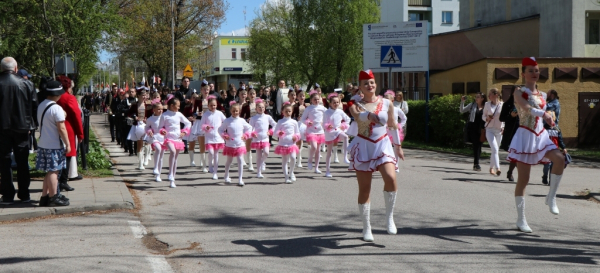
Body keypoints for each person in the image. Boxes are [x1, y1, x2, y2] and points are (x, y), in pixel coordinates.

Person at [507, 57, 566, 233]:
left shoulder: (543, 95)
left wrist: (550, 116)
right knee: (523, 180)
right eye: (531, 70)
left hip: (541, 135)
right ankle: (521, 219)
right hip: (525, 136)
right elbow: (525, 108)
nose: (535, 73)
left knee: (560, 159)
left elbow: (545, 113)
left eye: (537, 70)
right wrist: (545, 113)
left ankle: (551, 197)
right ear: (523, 73)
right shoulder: (519, 92)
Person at [347, 69, 404, 242]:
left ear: (375, 84)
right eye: (366, 83)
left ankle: (389, 218)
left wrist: (398, 146)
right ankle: (367, 227)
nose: (369, 85)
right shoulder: (355, 103)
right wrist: (369, 115)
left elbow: (393, 124)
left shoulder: (387, 103)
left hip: (382, 144)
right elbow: (357, 116)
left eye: (371, 82)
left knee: (390, 177)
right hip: (364, 145)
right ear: (361, 87)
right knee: (365, 189)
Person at [0, 57, 37, 204]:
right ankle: (24, 194)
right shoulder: (27, 84)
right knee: (22, 161)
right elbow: (34, 106)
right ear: (16, 69)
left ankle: (8, 194)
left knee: (4, 161)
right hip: (22, 127)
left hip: (2, 128)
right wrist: (31, 126)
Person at [36, 80, 71, 206]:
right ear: (57, 94)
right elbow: (61, 128)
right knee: (54, 171)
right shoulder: (56, 108)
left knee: (49, 171)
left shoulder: (42, 105)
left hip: (43, 143)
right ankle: (53, 197)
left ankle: (44, 197)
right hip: (54, 144)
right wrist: (68, 144)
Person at [56, 75, 83, 192]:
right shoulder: (69, 98)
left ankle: (57, 180)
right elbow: (77, 117)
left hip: (54, 129)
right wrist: (80, 134)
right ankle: (63, 181)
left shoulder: (54, 98)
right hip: (68, 129)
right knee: (67, 155)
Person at [158, 95, 191, 188]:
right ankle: (170, 173)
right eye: (178, 106)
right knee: (172, 151)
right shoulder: (164, 116)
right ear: (172, 106)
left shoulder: (179, 114)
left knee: (175, 158)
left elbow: (188, 123)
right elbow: (160, 127)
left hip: (178, 138)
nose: (179, 108)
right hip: (168, 138)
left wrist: (184, 131)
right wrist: (162, 131)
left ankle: (172, 178)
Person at [218, 102, 252, 186]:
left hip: (240, 144)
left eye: (236, 111)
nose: (235, 112)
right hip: (230, 144)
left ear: (239, 111)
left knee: (240, 161)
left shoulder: (242, 120)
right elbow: (220, 129)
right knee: (229, 161)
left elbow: (249, 127)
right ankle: (226, 175)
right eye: (233, 111)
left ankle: (240, 179)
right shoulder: (227, 121)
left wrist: (246, 135)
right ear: (230, 111)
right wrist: (225, 135)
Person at [195, 96, 226, 180]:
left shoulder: (219, 113)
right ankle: (210, 164)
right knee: (211, 153)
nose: (213, 107)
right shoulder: (205, 114)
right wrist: (206, 127)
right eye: (211, 105)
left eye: (215, 105)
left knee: (216, 154)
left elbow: (225, 121)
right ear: (208, 106)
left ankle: (215, 172)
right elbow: (202, 125)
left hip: (218, 137)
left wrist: (223, 129)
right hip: (209, 137)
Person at [323, 94, 351, 178]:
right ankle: (327, 171)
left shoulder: (340, 111)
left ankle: (345, 156)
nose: (336, 104)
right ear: (330, 103)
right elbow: (324, 123)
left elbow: (348, 119)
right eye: (334, 102)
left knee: (346, 137)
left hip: (338, 131)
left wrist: (343, 125)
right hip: (329, 133)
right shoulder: (326, 112)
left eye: (337, 102)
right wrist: (328, 126)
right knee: (329, 153)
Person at [300, 91, 327, 173]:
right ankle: (310, 160)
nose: (316, 101)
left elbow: (328, 116)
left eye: (318, 99)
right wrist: (308, 122)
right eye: (315, 99)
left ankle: (316, 168)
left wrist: (325, 122)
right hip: (311, 130)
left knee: (318, 150)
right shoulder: (308, 108)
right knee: (314, 147)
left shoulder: (323, 108)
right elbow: (303, 119)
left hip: (320, 131)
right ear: (311, 100)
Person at [249, 99, 277, 178]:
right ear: (256, 109)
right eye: (259, 107)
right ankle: (258, 172)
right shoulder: (253, 118)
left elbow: (275, 125)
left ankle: (262, 162)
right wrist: (253, 133)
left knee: (266, 152)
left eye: (262, 107)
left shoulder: (268, 117)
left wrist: (271, 131)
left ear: (265, 108)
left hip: (265, 138)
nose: (261, 109)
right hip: (257, 139)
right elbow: (250, 128)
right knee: (258, 156)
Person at [273, 103, 301, 183]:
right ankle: (286, 177)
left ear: (292, 112)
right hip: (283, 143)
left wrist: (296, 137)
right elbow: (275, 133)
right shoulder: (280, 121)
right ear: (283, 112)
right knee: (285, 160)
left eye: (289, 111)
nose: (288, 113)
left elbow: (298, 133)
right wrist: (279, 133)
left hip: (292, 143)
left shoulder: (294, 122)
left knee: (293, 158)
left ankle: (291, 173)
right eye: (286, 111)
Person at [460, 92, 487, 171]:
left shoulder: (486, 106)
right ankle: (476, 164)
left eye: (478, 97)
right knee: (476, 145)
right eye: (476, 97)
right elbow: (462, 110)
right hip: (473, 128)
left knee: (479, 146)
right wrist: (462, 102)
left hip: (482, 128)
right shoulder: (472, 105)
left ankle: (476, 162)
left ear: (482, 98)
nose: (476, 98)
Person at [499, 86, 520, 182]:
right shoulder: (507, 104)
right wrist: (511, 116)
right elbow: (501, 118)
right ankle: (510, 172)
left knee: (520, 154)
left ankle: (512, 172)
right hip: (511, 132)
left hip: (522, 132)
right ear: (512, 93)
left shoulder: (524, 104)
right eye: (516, 91)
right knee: (515, 154)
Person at [126, 87, 149, 169]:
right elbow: (129, 114)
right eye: (142, 95)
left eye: (145, 95)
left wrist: (148, 119)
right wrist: (134, 116)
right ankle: (140, 163)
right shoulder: (134, 105)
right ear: (138, 96)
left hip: (147, 126)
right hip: (138, 125)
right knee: (139, 143)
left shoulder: (148, 104)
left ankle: (146, 157)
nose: (144, 97)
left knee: (147, 143)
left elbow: (152, 114)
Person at [483, 88, 504, 176]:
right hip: (489, 129)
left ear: (496, 95)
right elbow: (483, 116)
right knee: (495, 149)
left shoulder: (502, 104)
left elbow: (504, 117)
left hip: (499, 129)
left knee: (495, 150)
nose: (488, 96)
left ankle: (491, 168)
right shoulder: (487, 104)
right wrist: (487, 118)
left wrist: (504, 126)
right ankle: (498, 168)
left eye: (490, 94)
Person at [542, 89, 561, 185]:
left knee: (551, 155)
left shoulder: (554, 103)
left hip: (553, 131)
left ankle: (550, 178)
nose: (547, 96)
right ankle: (545, 175)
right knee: (547, 155)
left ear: (552, 95)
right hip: (547, 130)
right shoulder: (552, 102)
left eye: (548, 94)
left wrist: (540, 100)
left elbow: (543, 108)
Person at [385, 91, 407, 172]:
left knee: (396, 147)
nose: (386, 100)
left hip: (394, 130)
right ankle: (386, 163)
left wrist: (400, 125)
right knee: (385, 147)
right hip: (385, 130)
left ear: (392, 100)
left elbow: (404, 118)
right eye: (385, 99)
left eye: (388, 99)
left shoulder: (396, 109)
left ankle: (396, 164)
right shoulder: (382, 110)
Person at [146, 100, 165, 182]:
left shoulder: (164, 117)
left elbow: (167, 126)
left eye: (161, 109)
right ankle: (155, 167)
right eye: (158, 109)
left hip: (163, 137)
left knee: (161, 156)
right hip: (154, 137)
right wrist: (149, 131)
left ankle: (158, 175)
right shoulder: (150, 119)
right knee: (158, 149)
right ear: (154, 110)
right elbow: (146, 127)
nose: (160, 111)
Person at [241, 87, 258, 171]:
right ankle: (250, 163)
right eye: (250, 94)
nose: (252, 95)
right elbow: (240, 116)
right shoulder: (245, 105)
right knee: (248, 145)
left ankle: (260, 162)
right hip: (248, 126)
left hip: (257, 127)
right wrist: (246, 119)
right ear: (248, 95)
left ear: (256, 95)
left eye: (253, 93)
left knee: (260, 145)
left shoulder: (259, 104)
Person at [291, 90, 306, 168]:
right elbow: (291, 116)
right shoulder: (295, 106)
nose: (302, 97)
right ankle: (297, 159)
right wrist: (296, 118)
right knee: (298, 142)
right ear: (297, 97)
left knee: (302, 142)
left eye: (303, 96)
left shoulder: (307, 106)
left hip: (305, 125)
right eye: (300, 96)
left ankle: (299, 158)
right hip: (297, 124)